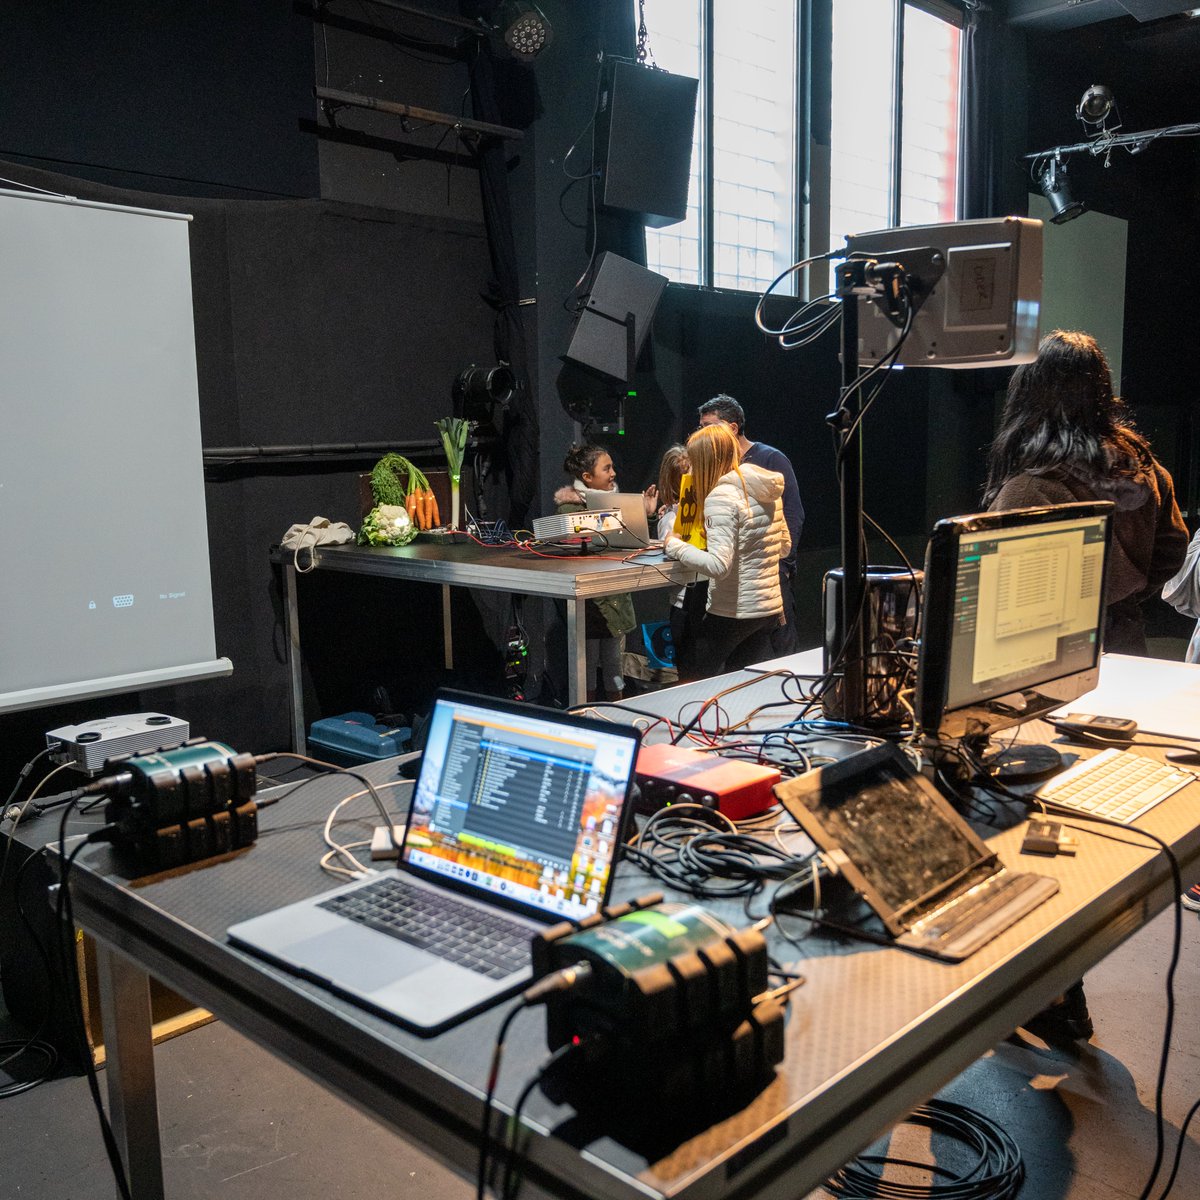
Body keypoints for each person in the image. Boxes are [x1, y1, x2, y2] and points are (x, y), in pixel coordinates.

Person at [982, 330, 1187, 656]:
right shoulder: (1144, 469)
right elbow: (1173, 549)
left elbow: (990, 597)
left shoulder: (1028, 491)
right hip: (1126, 646)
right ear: (1101, 391)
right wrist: (1121, 595)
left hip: (1046, 658)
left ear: (1027, 394)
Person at [663, 423, 790, 677]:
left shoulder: (720, 497)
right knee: (740, 687)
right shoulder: (765, 490)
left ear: (705, 461)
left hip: (734, 611)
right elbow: (784, 546)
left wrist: (673, 544)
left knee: (692, 681)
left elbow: (719, 566)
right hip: (768, 609)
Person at [697, 394, 804, 655]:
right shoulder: (718, 465)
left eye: (709, 426)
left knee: (779, 648)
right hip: (734, 578)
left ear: (732, 427)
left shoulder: (770, 458)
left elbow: (792, 514)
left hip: (769, 570)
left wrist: (783, 566)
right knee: (744, 656)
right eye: (701, 428)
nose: (703, 433)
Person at [553, 444, 643, 701]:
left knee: (615, 663)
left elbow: (630, 538)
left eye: (612, 466)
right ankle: (588, 714)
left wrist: (644, 514)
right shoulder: (569, 510)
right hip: (591, 603)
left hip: (614, 597)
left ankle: (619, 714)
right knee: (588, 664)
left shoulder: (617, 503)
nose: (613, 473)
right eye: (607, 468)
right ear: (587, 477)